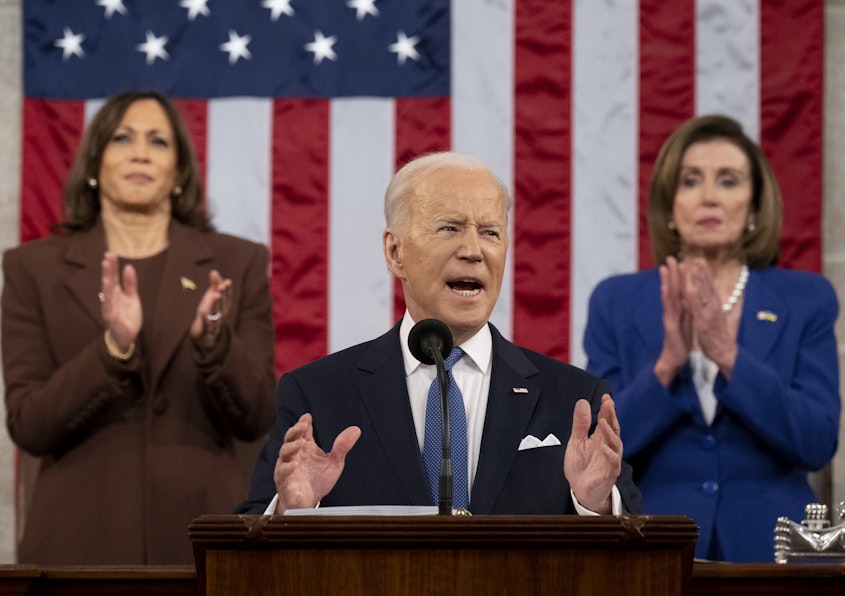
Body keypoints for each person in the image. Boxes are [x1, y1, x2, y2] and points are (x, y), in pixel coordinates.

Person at [237, 152, 641, 517]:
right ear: (396, 253)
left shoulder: (575, 399)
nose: (473, 250)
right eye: (449, 228)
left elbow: (638, 552)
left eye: (490, 232)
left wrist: (596, 505)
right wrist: (293, 511)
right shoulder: (318, 395)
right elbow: (251, 536)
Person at [1, 90, 277, 565]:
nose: (141, 152)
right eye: (122, 138)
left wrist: (214, 344)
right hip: (77, 550)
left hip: (207, 548)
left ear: (179, 171)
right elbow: (30, 425)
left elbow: (257, 416)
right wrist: (113, 348)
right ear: (94, 163)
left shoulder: (237, 263)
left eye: (159, 141)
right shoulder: (33, 270)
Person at [583, 114, 840, 562]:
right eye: (690, 181)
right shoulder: (617, 301)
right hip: (652, 548)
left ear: (755, 207)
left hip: (773, 553)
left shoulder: (805, 298)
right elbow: (595, 446)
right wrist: (666, 366)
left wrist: (728, 355)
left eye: (728, 181)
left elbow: (817, 442)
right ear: (670, 205)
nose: (708, 197)